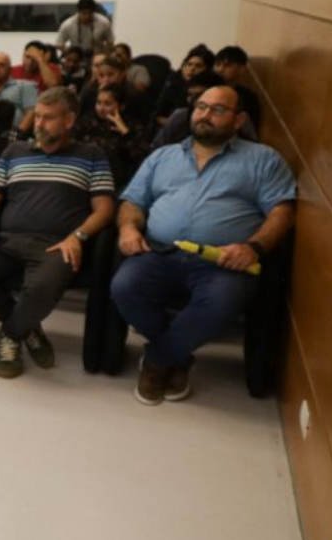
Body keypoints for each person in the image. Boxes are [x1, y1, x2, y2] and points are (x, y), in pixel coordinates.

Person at [112, 85, 296, 405]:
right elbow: (132, 201)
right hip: (159, 251)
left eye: (217, 110)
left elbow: (282, 211)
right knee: (125, 286)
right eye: (201, 107)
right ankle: (177, 357)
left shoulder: (263, 159)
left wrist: (254, 247)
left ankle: (158, 359)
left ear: (239, 120)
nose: (205, 115)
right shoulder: (163, 156)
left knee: (222, 301)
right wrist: (128, 228)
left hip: (222, 261)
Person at [0, 87, 116, 379]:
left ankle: (12, 334)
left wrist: (78, 237)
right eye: (37, 116)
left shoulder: (90, 155)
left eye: (48, 118)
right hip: (6, 239)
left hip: (56, 244)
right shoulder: (15, 152)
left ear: (69, 120)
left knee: (40, 289)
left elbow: (104, 209)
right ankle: (27, 329)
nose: (39, 124)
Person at [74, 83, 151, 187]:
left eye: (107, 104)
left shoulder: (132, 125)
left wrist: (125, 132)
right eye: (98, 103)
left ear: (121, 106)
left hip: (114, 181)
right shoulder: (87, 121)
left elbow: (142, 157)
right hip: (83, 173)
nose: (101, 108)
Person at [153, 72, 258, 147]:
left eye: (199, 95)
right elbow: (157, 146)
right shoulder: (180, 116)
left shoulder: (237, 117)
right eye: (190, 95)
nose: (193, 100)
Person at [153, 44, 214, 126]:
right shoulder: (173, 82)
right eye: (189, 64)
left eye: (198, 66)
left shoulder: (210, 89)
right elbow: (158, 115)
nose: (192, 69)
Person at [214, 45, 262, 129]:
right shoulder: (207, 90)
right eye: (218, 64)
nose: (220, 69)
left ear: (241, 69)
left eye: (227, 65)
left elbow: (252, 127)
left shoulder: (248, 97)